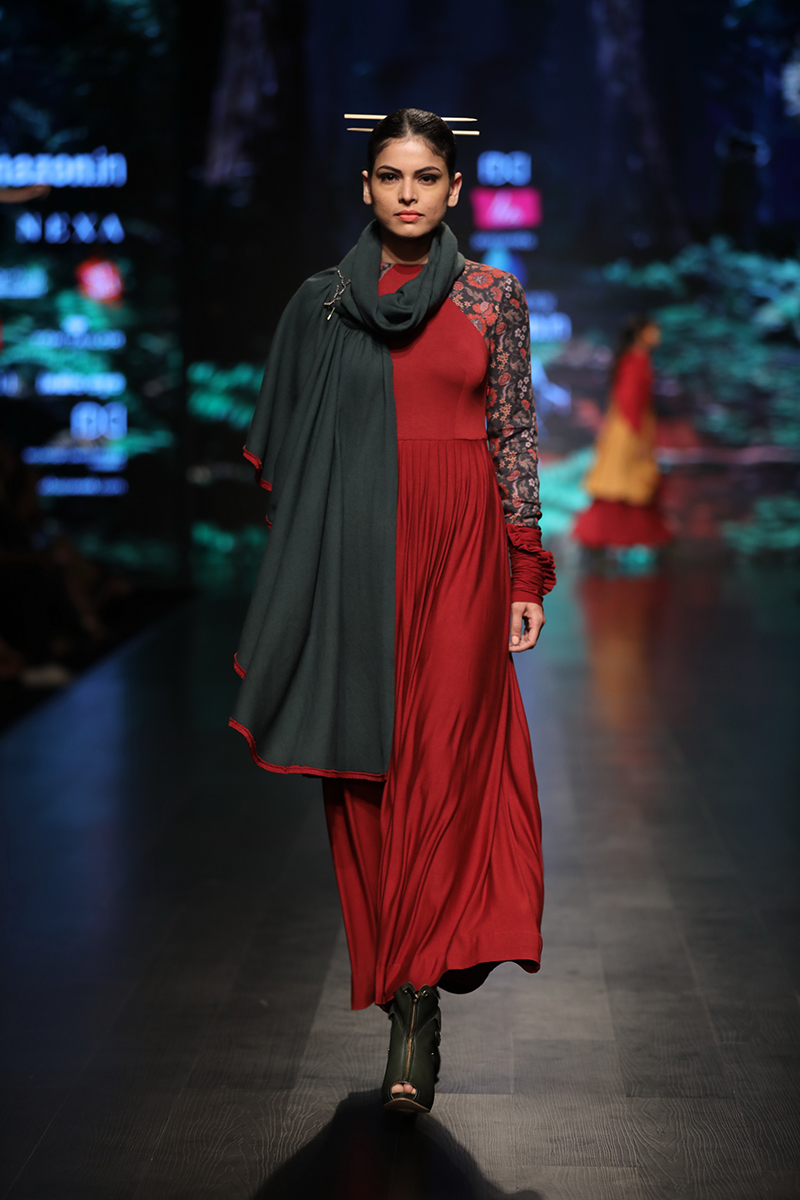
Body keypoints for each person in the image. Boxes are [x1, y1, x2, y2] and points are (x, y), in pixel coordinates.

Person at [230, 109, 555, 1114]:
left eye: (424, 176)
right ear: (365, 188)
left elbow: (512, 436)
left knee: (444, 758)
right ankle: (413, 1004)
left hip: (461, 552)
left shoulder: (493, 297)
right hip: (359, 556)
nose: (407, 193)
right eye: (389, 175)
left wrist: (524, 572)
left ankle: (440, 955)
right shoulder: (323, 304)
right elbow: (290, 456)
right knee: (370, 772)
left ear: (454, 188)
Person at [573, 313, 672, 555]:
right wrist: (637, 434)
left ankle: (620, 545)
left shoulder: (635, 358)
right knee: (624, 480)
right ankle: (612, 542)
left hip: (630, 426)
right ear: (641, 333)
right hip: (630, 428)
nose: (657, 335)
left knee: (625, 481)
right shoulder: (636, 359)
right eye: (653, 330)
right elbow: (629, 399)